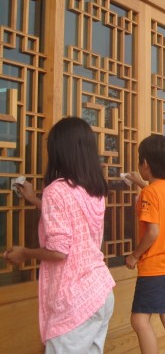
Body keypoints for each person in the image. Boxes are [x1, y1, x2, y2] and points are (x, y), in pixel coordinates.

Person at [3, 116, 115, 353]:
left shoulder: (56, 191)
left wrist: (25, 253)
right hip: (101, 290)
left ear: (60, 151)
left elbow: (59, 251)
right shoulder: (95, 188)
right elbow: (71, 219)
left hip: (75, 300)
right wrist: (35, 199)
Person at [125, 134, 165, 354]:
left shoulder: (149, 193)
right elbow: (156, 195)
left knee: (139, 320)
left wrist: (134, 256)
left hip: (155, 268)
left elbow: (152, 232)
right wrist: (141, 183)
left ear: (145, 164)